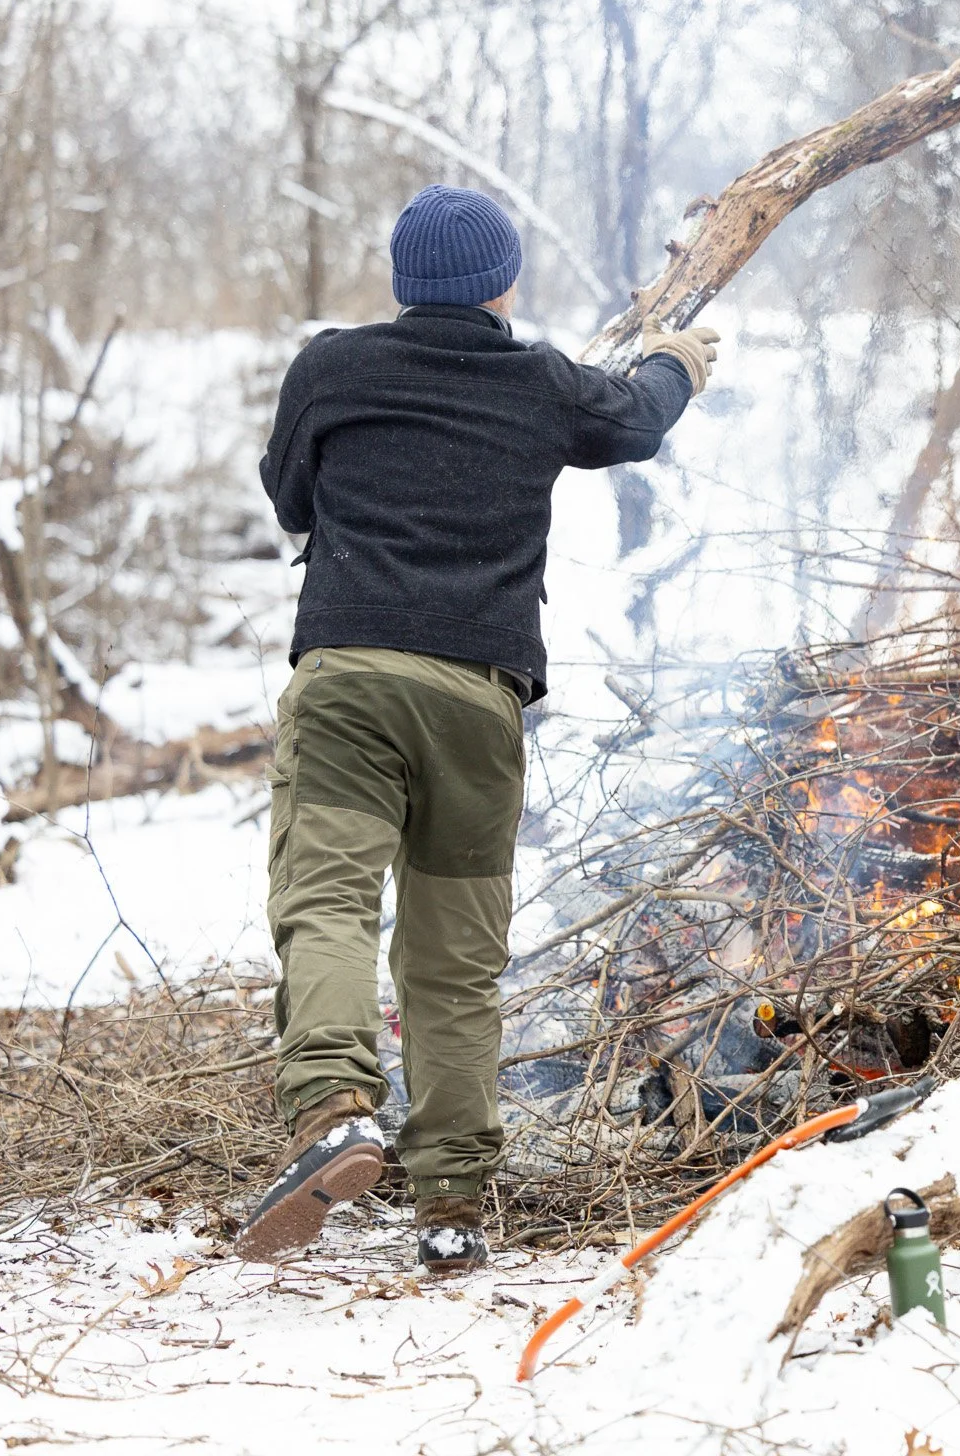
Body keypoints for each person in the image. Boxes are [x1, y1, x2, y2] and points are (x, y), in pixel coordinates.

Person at [234, 185, 722, 1271]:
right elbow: (632, 417)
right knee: (453, 962)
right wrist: (680, 359)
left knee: (329, 904)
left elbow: (290, 497)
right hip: (476, 701)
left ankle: (333, 1110)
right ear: (503, 283)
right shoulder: (540, 380)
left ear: (403, 284)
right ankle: (451, 1199)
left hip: (351, 680)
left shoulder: (333, 368)